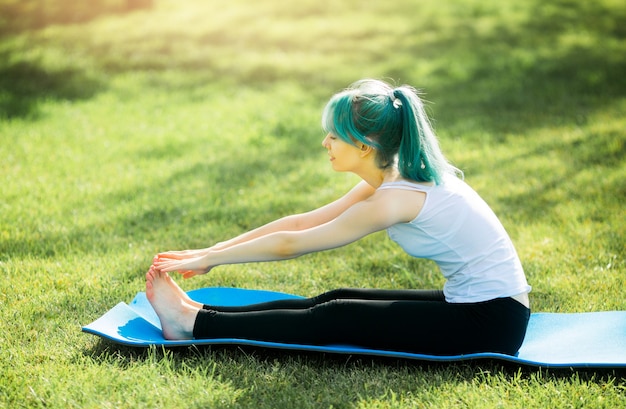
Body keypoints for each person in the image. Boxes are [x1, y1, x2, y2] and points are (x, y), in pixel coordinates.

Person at [148, 79, 531, 356]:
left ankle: (190, 325)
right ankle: (201, 314)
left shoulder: (394, 198)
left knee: (337, 315)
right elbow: (301, 223)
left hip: (491, 323)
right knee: (336, 297)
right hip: (474, 304)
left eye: (334, 136)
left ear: (364, 146)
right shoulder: (391, 175)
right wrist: (210, 250)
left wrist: (211, 260)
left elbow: (291, 245)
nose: (325, 143)